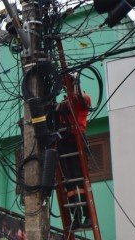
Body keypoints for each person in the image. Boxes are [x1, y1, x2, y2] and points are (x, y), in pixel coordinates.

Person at [55, 80, 93, 230]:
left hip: (78, 141)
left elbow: (84, 100)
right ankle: (76, 216)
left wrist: (74, 91)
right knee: (69, 182)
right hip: (65, 142)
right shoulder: (63, 105)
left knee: (80, 178)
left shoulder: (83, 99)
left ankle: (88, 215)